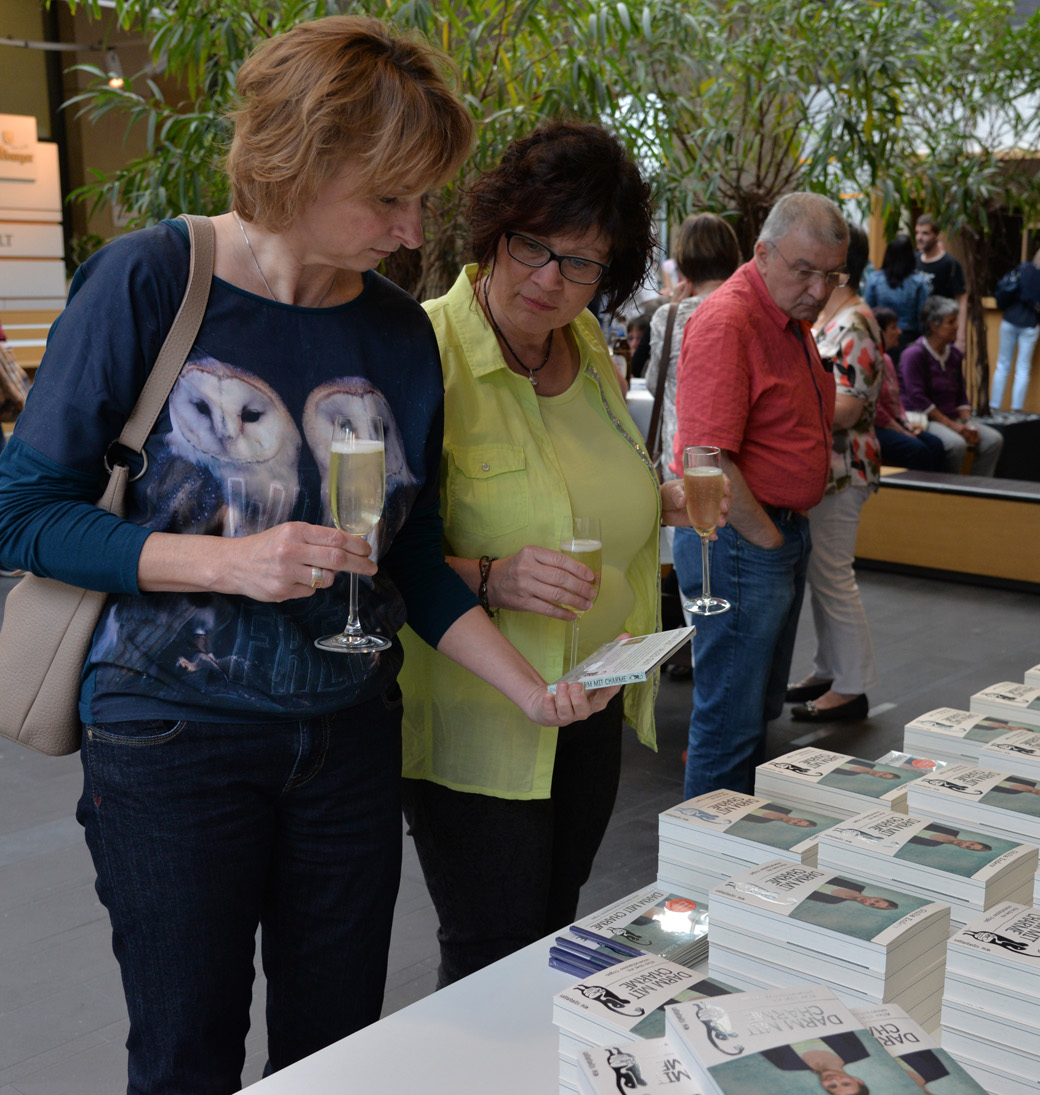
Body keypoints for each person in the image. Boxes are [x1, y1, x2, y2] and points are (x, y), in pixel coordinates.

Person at [0, 18, 615, 1093]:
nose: (413, 226)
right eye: (388, 197)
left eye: (423, 196)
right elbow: (25, 514)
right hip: (171, 742)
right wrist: (223, 563)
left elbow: (408, 554)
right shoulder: (153, 281)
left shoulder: (396, 332)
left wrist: (530, 689)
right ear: (296, 160)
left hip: (347, 739)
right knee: (186, 1048)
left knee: (338, 1050)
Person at [399, 121, 724, 985]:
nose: (550, 280)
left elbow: (588, 491)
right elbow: (382, 553)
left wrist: (661, 501)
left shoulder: (588, 356)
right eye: (533, 246)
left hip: (597, 694)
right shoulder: (423, 351)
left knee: (555, 930)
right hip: (485, 717)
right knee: (490, 947)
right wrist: (493, 577)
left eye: (581, 262)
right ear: (495, 231)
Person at [671, 192, 842, 797]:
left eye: (831, 275)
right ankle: (704, 870)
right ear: (763, 254)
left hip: (770, 535)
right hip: (742, 538)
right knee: (729, 722)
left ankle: (729, 852)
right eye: (805, 271)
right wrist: (769, 541)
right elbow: (707, 459)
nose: (820, 290)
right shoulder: (730, 319)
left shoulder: (786, 319)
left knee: (753, 712)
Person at [785, 222, 881, 723]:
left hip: (844, 470)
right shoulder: (836, 318)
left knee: (834, 578)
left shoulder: (856, 323)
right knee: (823, 577)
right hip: (828, 468)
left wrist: (792, 403)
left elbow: (848, 407)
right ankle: (828, 670)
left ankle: (852, 686)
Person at [645, 212, 741, 474]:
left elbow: (656, 385)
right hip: (738, 467)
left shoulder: (669, 316)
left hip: (682, 465)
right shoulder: (747, 312)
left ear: (683, 263)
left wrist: (674, 304)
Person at [900, 296, 1003, 476]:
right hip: (926, 419)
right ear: (933, 325)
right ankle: (951, 490)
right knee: (956, 444)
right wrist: (954, 426)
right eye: (951, 322)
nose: (957, 326)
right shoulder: (914, 354)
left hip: (951, 418)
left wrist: (968, 423)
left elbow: (960, 393)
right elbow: (917, 398)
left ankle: (977, 489)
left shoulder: (953, 354)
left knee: (993, 440)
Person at [870, 305, 946, 471]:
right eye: (893, 328)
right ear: (879, 332)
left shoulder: (888, 360)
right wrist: (901, 430)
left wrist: (906, 424)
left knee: (935, 443)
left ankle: (939, 493)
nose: (899, 332)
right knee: (918, 450)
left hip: (894, 423)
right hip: (875, 427)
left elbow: (897, 401)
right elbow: (875, 408)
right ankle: (918, 495)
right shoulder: (869, 362)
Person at [992, 241, 1040, 412]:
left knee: (1002, 364)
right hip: (1030, 322)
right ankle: (1016, 407)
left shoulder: (1025, 268)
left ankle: (994, 404)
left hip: (1010, 318)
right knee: (1023, 368)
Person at [863, 232, 930, 354]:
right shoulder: (919, 282)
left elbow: (868, 312)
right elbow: (923, 317)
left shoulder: (874, 280)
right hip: (910, 340)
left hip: (881, 338)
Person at [914, 213, 969, 351]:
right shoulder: (914, 260)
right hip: (917, 332)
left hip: (941, 334)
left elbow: (962, 299)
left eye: (925, 233)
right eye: (917, 233)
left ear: (937, 235)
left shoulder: (950, 264)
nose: (919, 237)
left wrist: (960, 338)